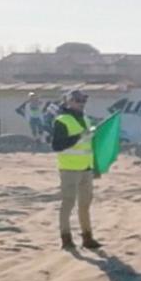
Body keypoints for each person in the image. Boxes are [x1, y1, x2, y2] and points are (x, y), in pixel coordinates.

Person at [50, 89, 101, 251]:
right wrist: (80, 137)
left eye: (83, 100)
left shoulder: (85, 119)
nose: (81, 103)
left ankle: (87, 237)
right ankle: (66, 239)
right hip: (69, 168)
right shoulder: (62, 120)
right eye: (78, 100)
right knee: (68, 203)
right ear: (69, 101)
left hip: (86, 168)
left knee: (85, 204)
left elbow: (90, 146)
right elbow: (57, 145)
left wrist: (95, 166)